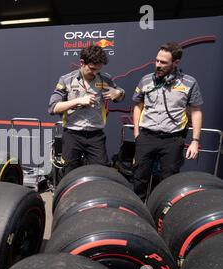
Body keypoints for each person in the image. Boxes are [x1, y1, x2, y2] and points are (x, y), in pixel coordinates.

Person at [132, 42, 203, 200]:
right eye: (157, 60)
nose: (158, 65)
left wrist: (195, 141)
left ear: (175, 63)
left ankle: (162, 214)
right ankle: (136, 213)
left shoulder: (189, 82)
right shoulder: (145, 80)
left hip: (173, 139)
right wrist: (137, 133)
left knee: (168, 182)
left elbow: (196, 112)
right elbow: (138, 106)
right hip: (147, 137)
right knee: (139, 178)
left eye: (163, 62)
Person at [48, 45, 125, 175]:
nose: (95, 73)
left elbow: (121, 95)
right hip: (73, 134)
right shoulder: (66, 79)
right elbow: (53, 107)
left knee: (101, 174)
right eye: (92, 69)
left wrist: (118, 93)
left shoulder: (105, 78)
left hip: (96, 135)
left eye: (98, 69)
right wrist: (78, 101)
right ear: (82, 63)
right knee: (69, 174)